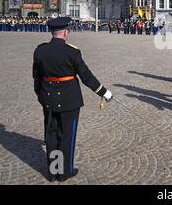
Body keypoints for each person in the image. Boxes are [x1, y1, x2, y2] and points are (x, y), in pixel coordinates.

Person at [32, 17, 113, 182]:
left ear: (52, 32)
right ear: (65, 32)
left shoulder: (40, 50)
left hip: (48, 99)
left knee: (51, 135)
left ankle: (53, 172)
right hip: (69, 100)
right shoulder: (72, 52)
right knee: (66, 136)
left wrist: (40, 95)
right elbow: (86, 76)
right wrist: (104, 92)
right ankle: (64, 172)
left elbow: (36, 77)